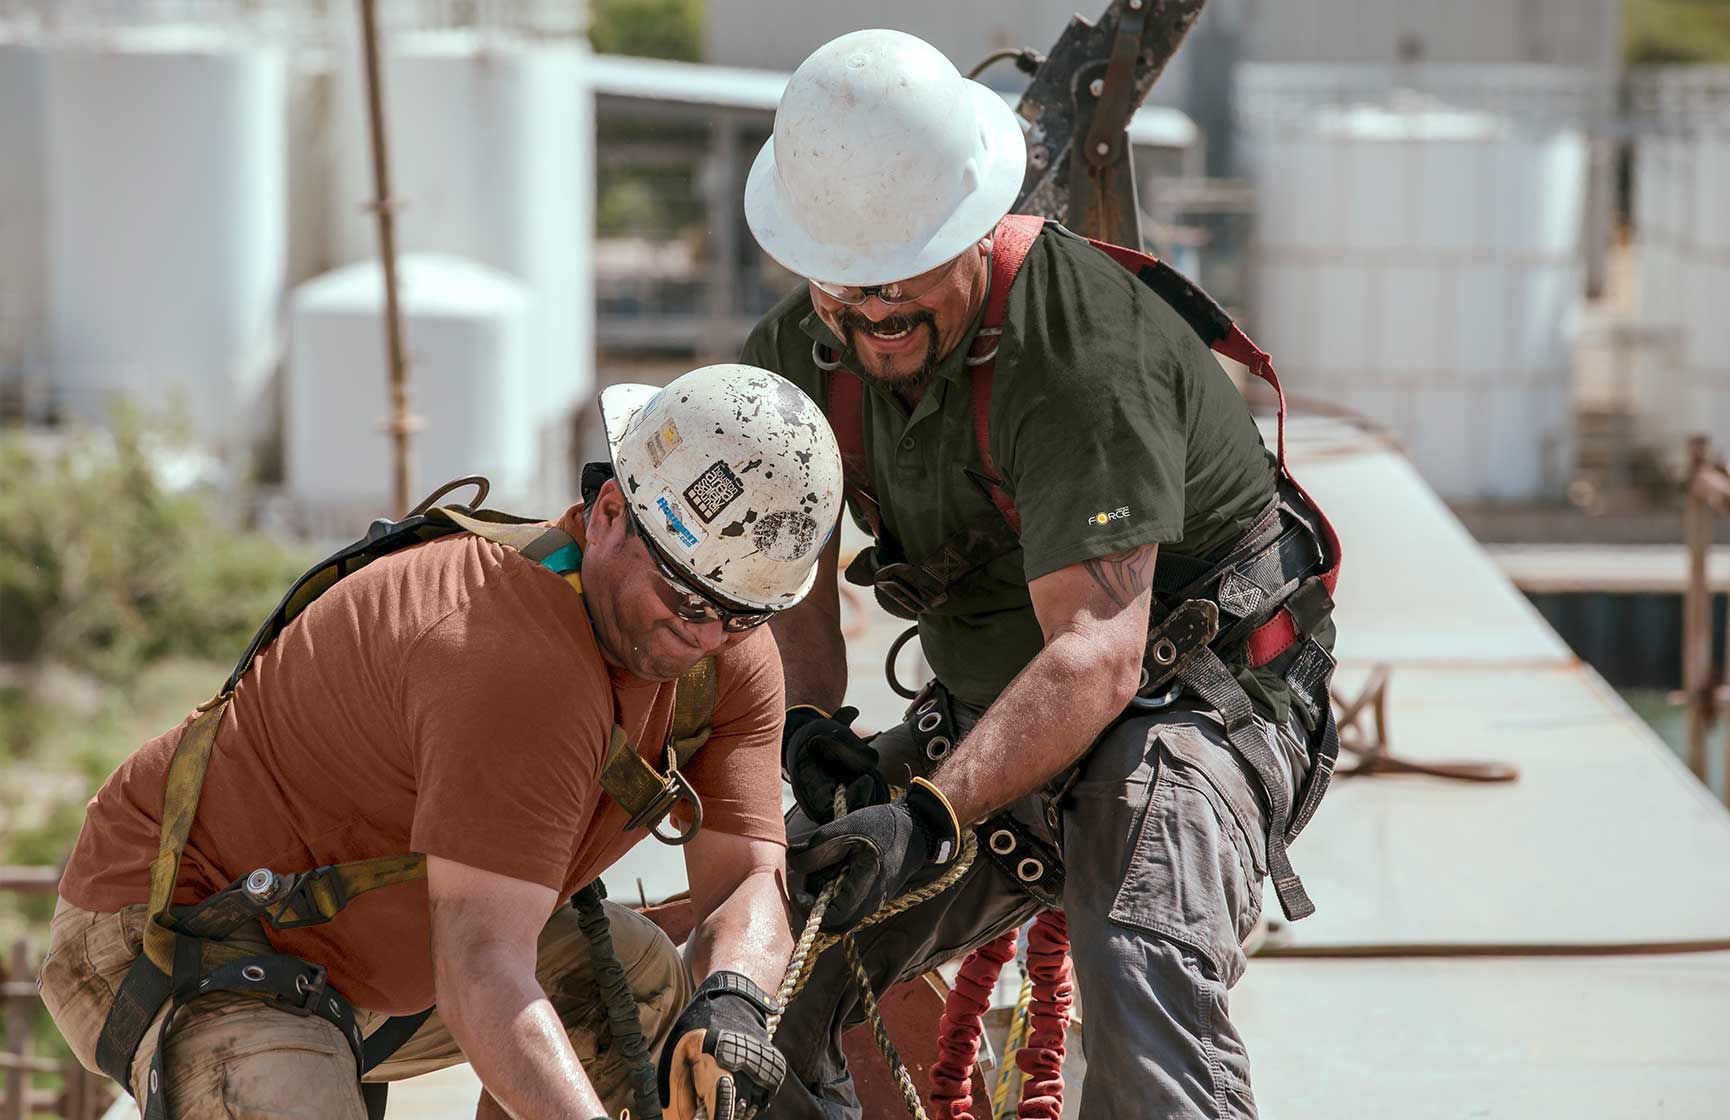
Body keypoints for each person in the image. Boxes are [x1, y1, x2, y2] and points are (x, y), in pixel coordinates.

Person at [739, 30, 1341, 1119]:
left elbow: (1095, 656)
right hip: (992, 714)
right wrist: (810, 732)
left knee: (1139, 966)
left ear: (974, 227)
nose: (874, 308)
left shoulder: (1079, 354)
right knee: (768, 965)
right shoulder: (794, 363)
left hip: (1181, 698)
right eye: (845, 278)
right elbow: (790, 601)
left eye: (905, 269)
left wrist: (923, 819)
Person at [40, 364, 843, 1120]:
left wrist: (735, 993)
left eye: (737, 614)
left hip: (383, 959)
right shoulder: (506, 657)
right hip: (186, 938)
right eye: (681, 597)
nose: (703, 634)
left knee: (640, 988)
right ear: (607, 517)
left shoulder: (727, 657)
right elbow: (482, 973)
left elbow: (745, 879)